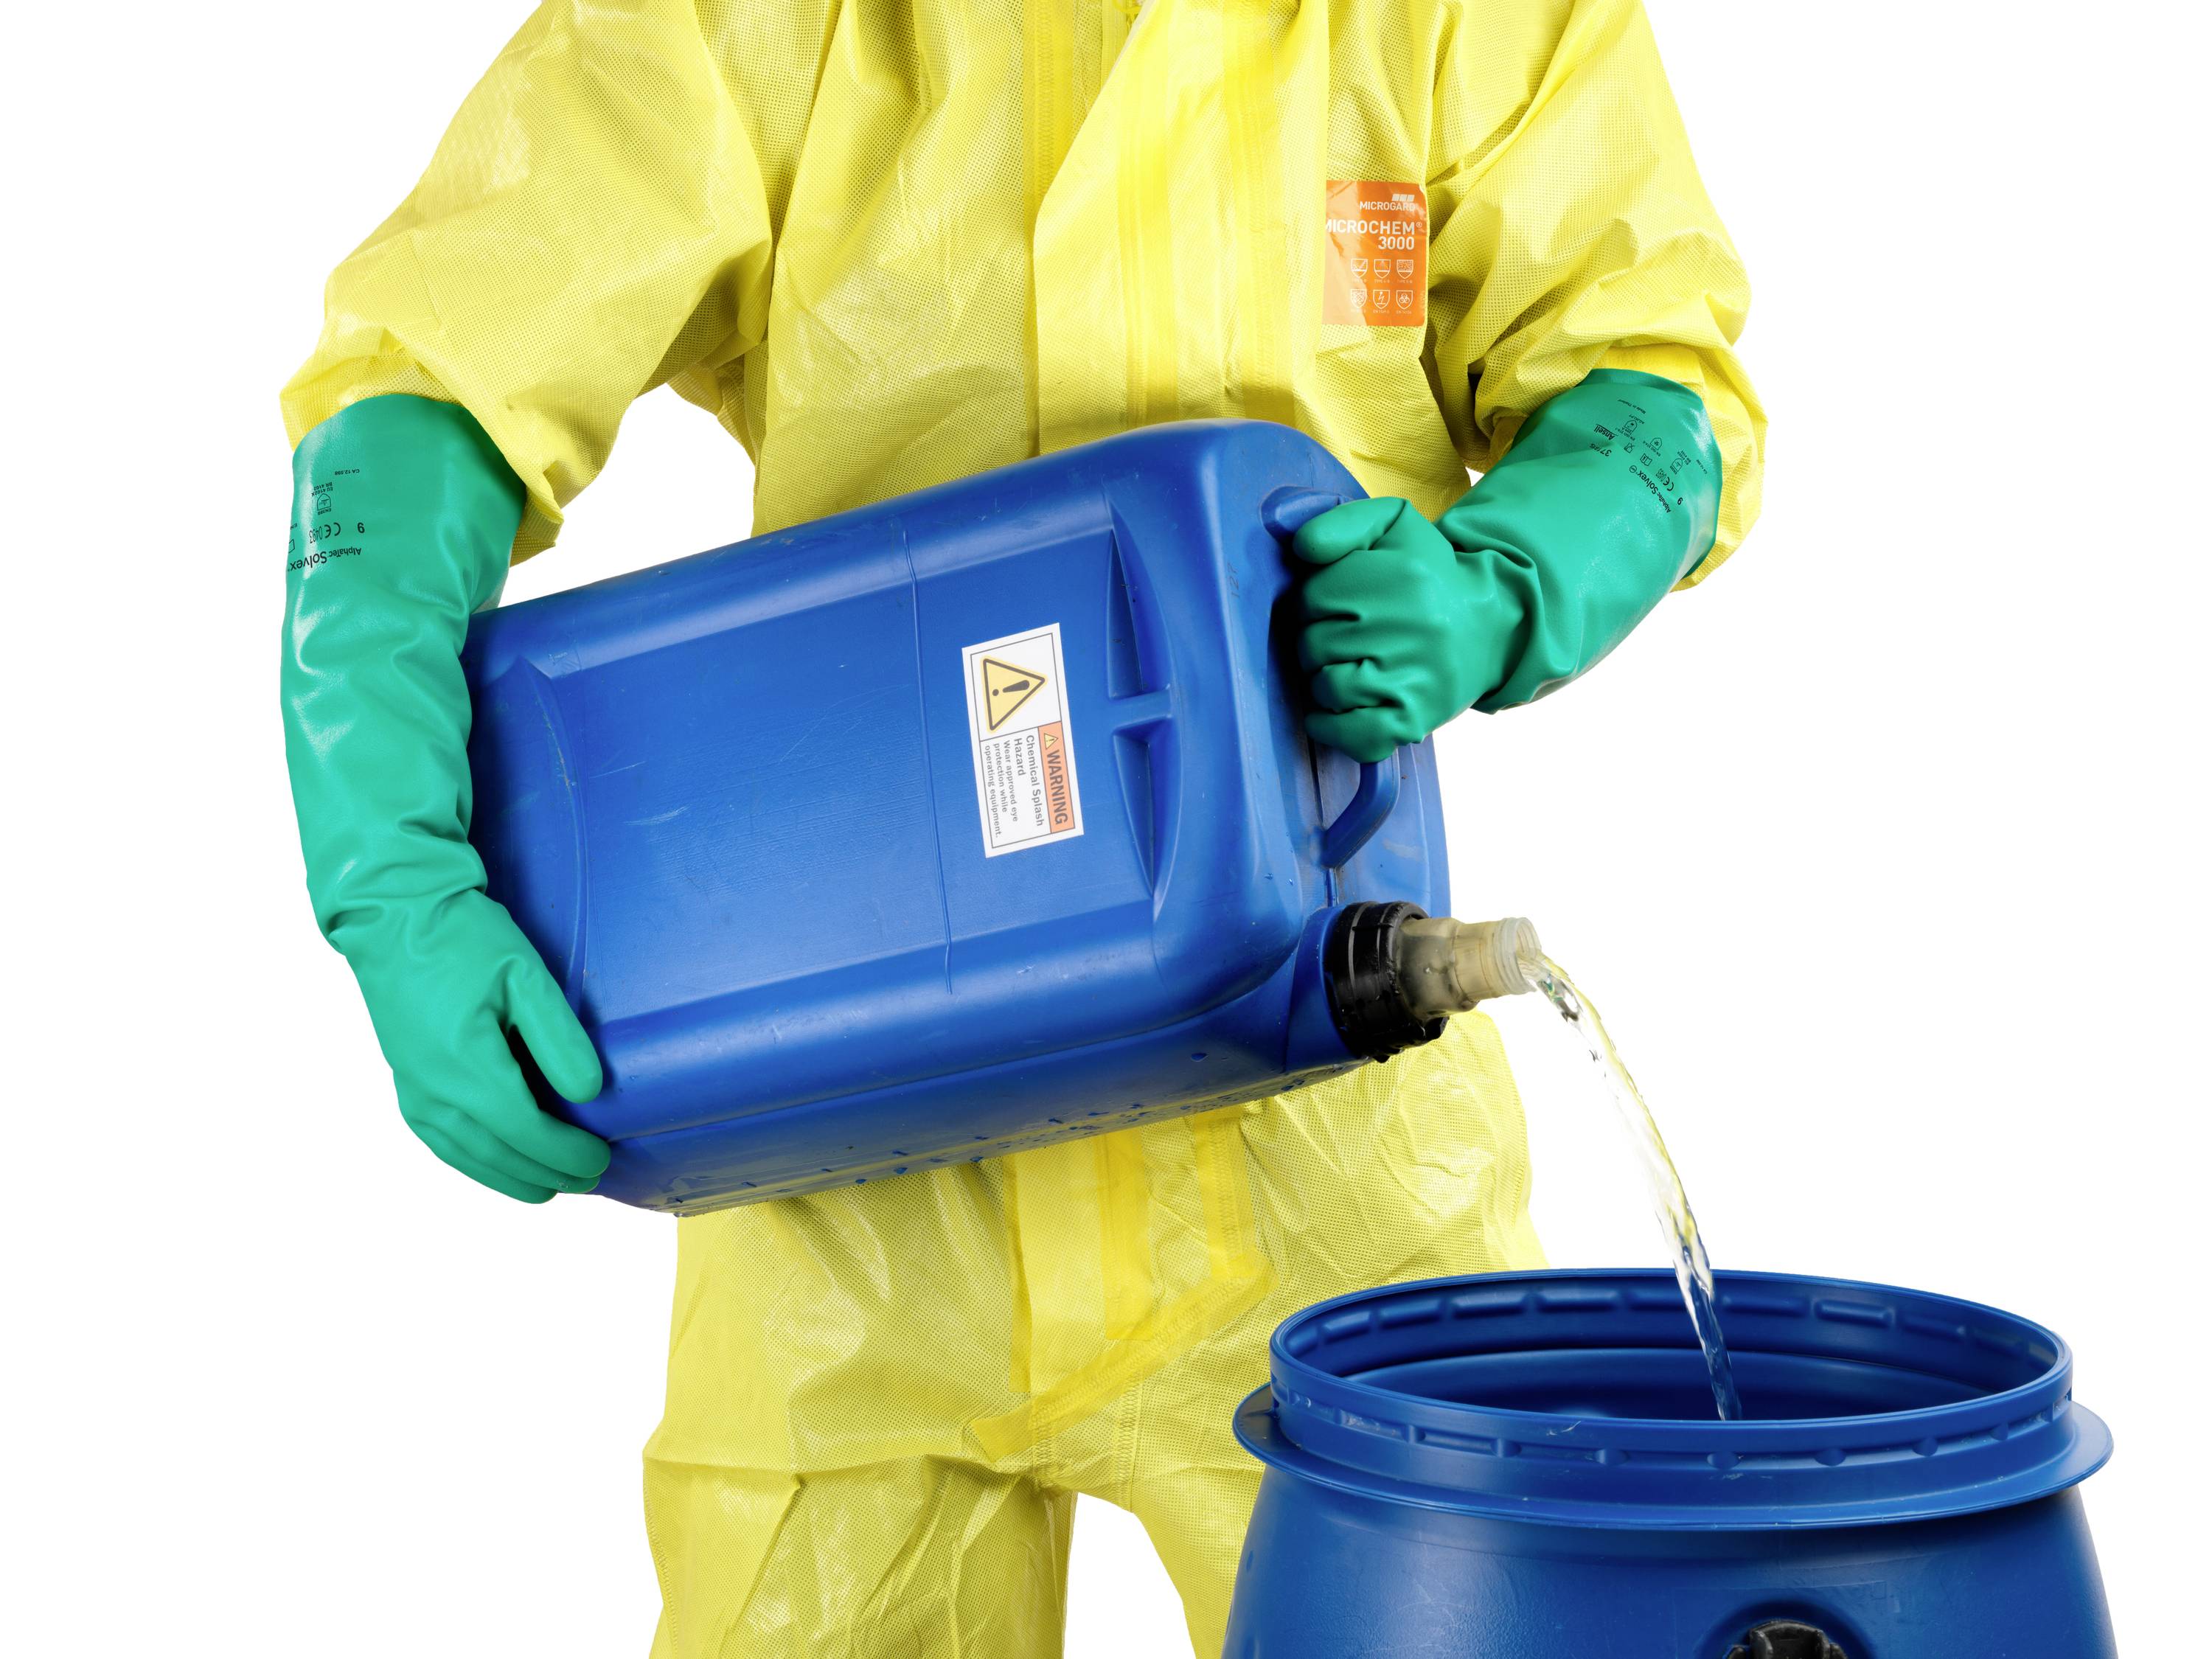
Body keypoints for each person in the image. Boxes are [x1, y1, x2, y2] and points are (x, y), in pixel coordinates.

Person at [279, 1, 1762, 1652]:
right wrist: (390, 868)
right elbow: (433, 387)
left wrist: (1510, 575)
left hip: (1326, 1164)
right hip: (852, 1194)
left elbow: (1657, 381)